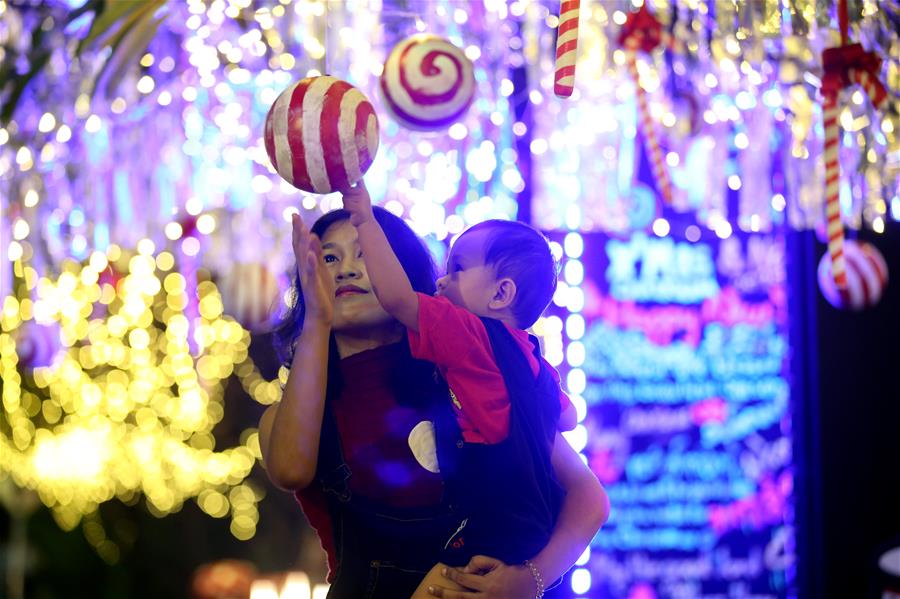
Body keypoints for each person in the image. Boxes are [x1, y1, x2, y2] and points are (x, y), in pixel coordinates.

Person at [259, 204, 609, 599]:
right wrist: (317, 321)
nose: (347, 269)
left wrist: (530, 579)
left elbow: (588, 497)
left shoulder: (469, 383)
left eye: (364, 253)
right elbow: (290, 470)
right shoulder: (291, 414)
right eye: (329, 258)